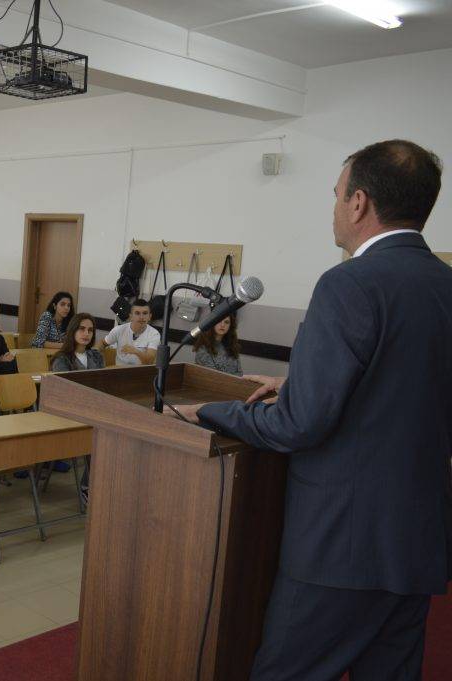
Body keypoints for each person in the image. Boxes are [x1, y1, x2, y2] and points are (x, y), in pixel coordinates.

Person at [174, 140, 452, 681]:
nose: (333, 207)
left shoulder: (348, 283)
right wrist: (300, 380)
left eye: (335, 194)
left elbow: (297, 424)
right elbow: (411, 389)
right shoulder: (446, 285)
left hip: (342, 547)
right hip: (417, 539)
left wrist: (211, 412)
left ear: (358, 203)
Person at [49, 312, 105, 494]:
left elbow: (102, 387)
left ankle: (98, 483)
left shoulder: (96, 357)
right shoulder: (61, 359)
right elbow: (66, 395)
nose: (86, 334)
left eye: (90, 330)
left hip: (94, 410)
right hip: (69, 412)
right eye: (81, 329)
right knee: (101, 434)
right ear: (73, 330)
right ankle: (88, 487)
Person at [101, 298, 159, 365]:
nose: (141, 317)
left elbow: (149, 361)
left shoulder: (154, 334)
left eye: (145, 313)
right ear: (131, 316)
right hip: (119, 371)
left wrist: (135, 351)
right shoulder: (119, 330)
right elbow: (103, 343)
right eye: (137, 313)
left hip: (141, 373)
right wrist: (95, 351)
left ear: (149, 316)